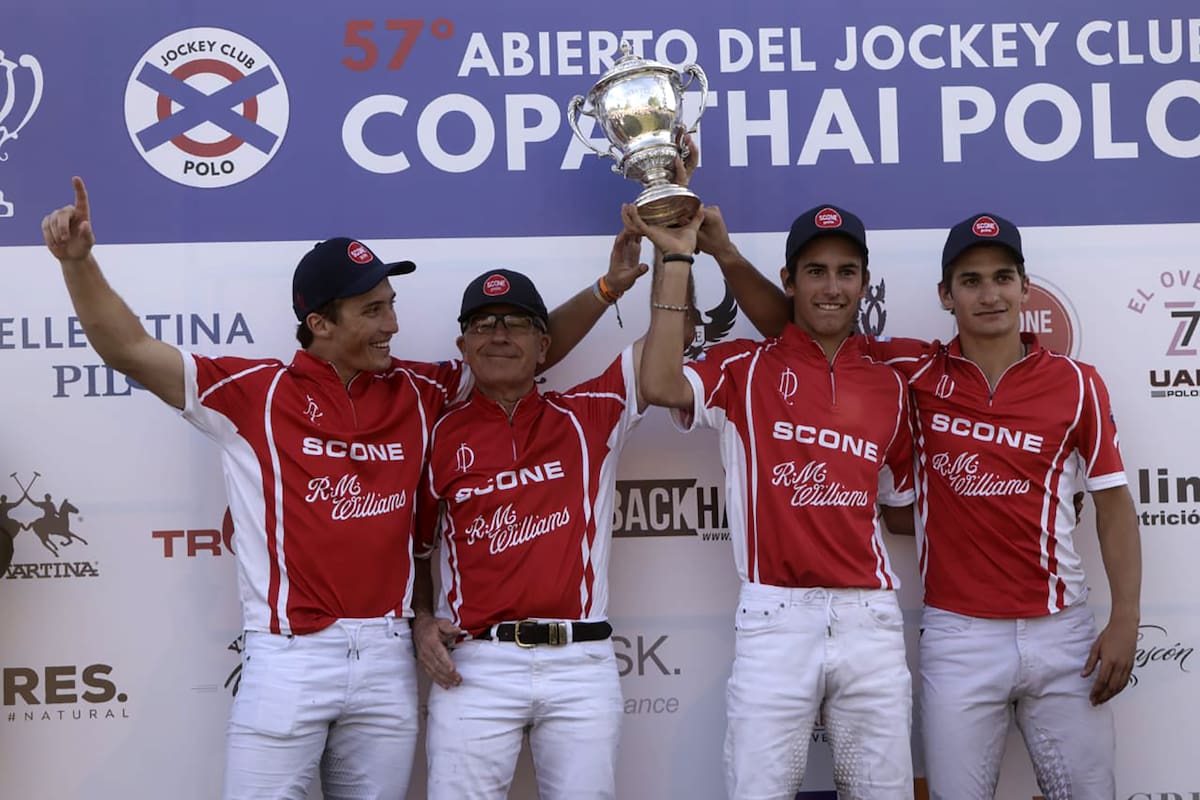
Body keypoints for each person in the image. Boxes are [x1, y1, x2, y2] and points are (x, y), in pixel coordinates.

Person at [40, 177, 644, 800]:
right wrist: (80, 264)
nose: (394, 324)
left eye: (390, 303)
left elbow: (518, 353)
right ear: (320, 323)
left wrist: (605, 290)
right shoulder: (258, 393)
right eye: (374, 310)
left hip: (386, 657)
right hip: (289, 657)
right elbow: (133, 350)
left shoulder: (419, 389)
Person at [706, 209, 1141, 799]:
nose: (989, 294)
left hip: (1063, 629)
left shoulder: (1078, 382)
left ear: (1024, 286)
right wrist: (727, 256)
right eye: (970, 281)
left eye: (1002, 278)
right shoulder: (912, 370)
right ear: (945, 294)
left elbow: (1114, 506)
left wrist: (1125, 619)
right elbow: (803, 326)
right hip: (958, 634)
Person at [629, 203, 918, 799]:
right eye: (815, 271)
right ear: (789, 281)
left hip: (871, 620)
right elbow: (659, 384)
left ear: (865, 282)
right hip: (775, 616)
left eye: (846, 272)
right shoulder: (746, 366)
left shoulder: (891, 382)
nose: (831, 287)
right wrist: (680, 255)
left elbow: (899, 507)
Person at [410, 230, 665, 800]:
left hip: (581, 663)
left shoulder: (589, 415)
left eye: (517, 324)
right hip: (473, 665)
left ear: (545, 345)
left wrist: (673, 252)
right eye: (483, 324)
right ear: (462, 345)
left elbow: (664, 346)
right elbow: (414, 549)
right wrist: (421, 620)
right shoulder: (436, 433)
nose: (499, 336)